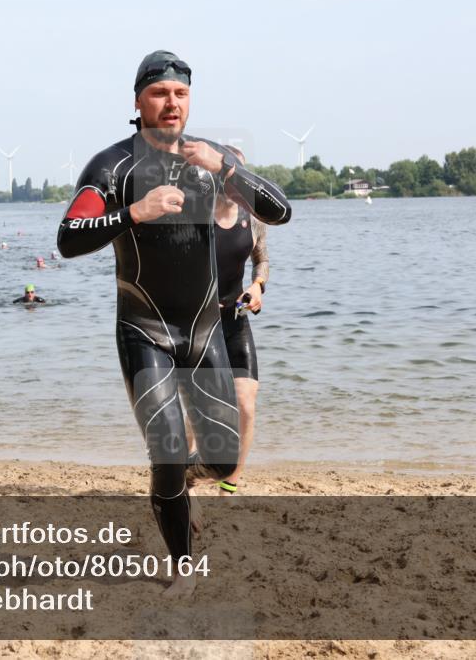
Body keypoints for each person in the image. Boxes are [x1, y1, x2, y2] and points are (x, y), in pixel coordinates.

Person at [57, 50, 290, 597]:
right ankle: (183, 564)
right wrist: (135, 211)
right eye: (160, 93)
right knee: (165, 450)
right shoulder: (112, 167)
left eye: (181, 94)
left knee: (223, 458)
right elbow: (68, 239)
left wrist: (226, 168)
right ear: (137, 101)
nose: (171, 103)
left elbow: (279, 212)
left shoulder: (214, 158)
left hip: (207, 330)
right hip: (143, 329)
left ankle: (180, 491)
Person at [209, 146, 268, 496]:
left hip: (235, 319)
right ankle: (175, 477)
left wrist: (258, 286)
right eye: (229, 171)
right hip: (199, 325)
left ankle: (231, 479)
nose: (235, 180)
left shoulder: (252, 217)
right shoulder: (195, 215)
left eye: (240, 173)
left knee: (245, 401)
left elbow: (262, 260)